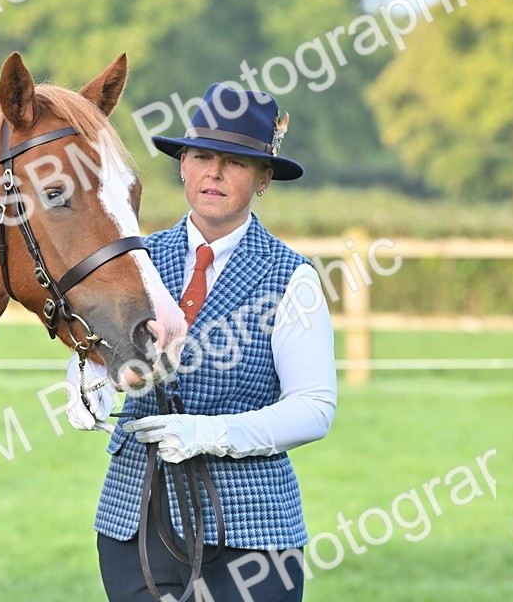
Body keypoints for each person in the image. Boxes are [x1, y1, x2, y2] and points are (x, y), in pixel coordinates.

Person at [66, 83, 337, 602]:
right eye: (202, 157)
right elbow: (99, 347)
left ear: (263, 179)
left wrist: (212, 433)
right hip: (134, 522)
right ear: (183, 166)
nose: (214, 173)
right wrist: (87, 380)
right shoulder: (136, 261)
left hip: (252, 531)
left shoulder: (292, 278)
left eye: (234, 162)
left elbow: (314, 408)